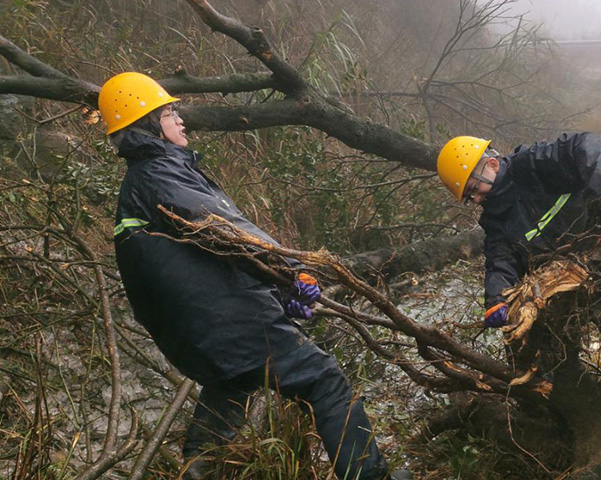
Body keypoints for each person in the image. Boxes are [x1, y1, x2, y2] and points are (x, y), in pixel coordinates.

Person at [98, 72, 411, 480]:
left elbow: (200, 264)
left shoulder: (144, 182)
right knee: (323, 380)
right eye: (171, 113)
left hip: (198, 331)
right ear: (148, 123)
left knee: (231, 386)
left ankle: (196, 471)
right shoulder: (160, 174)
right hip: (225, 322)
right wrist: (291, 271)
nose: (181, 120)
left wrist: (278, 294)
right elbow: (226, 232)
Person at [436, 132, 601, 328]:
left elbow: (591, 147)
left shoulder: (533, 164)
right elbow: (501, 261)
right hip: (573, 281)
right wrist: (496, 299)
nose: (477, 199)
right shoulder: (495, 219)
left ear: (492, 165)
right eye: (469, 197)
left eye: (474, 188)